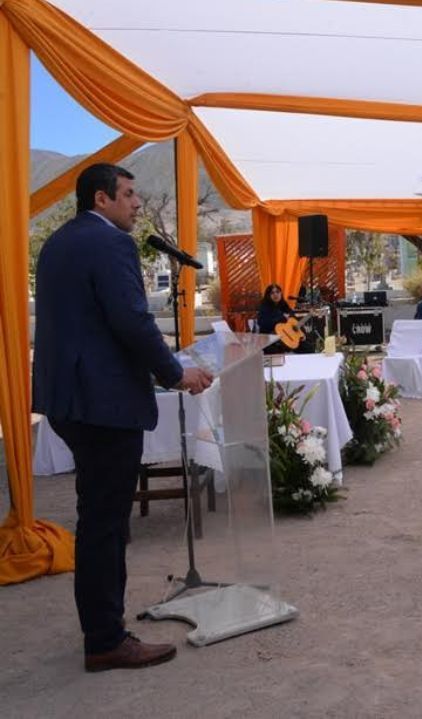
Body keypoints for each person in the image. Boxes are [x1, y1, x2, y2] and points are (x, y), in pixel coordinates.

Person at [33, 163, 213, 672]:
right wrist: (175, 373)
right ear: (101, 199)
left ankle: (103, 628)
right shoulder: (111, 244)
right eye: (129, 194)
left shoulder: (59, 242)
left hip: (71, 399)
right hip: (103, 402)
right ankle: (106, 639)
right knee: (105, 525)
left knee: (98, 517)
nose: (137, 203)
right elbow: (130, 319)